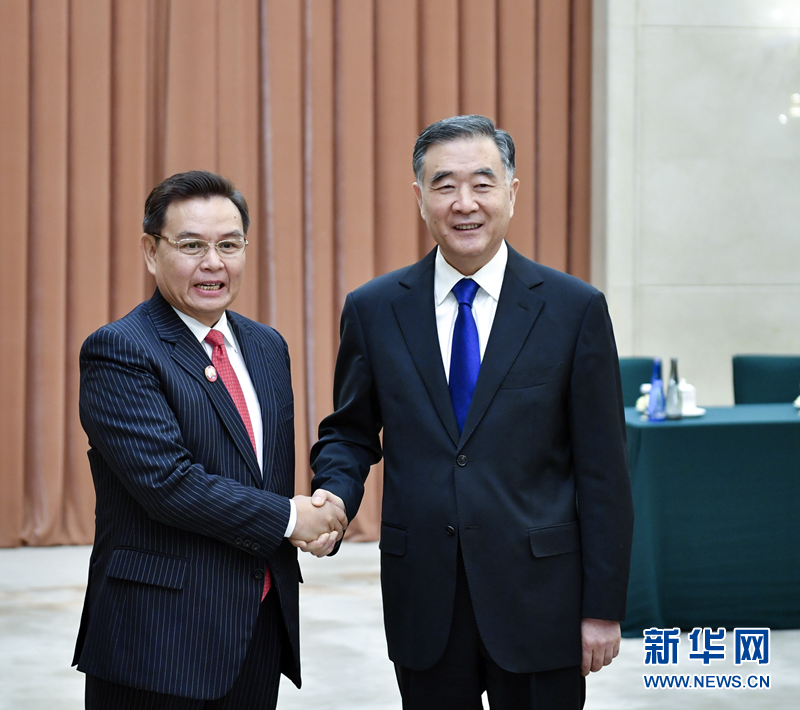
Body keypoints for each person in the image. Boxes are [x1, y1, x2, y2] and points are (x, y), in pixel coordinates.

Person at [307, 115, 634, 709]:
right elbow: (350, 433)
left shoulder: (574, 309)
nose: (465, 203)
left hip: (542, 599)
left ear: (511, 192)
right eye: (445, 185)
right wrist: (333, 496)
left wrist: (603, 608)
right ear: (419, 197)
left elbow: (604, 470)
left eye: (483, 184)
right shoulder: (375, 309)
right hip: (424, 598)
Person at [73, 170, 347, 710]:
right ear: (151, 251)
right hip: (157, 640)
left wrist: (320, 516)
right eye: (192, 245)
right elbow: (168, 484)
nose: (213, 263)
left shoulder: (266, 346)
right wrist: (291, 519)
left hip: (257, 627)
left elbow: (263, 474)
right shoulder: (120, 350)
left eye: (229, 244)